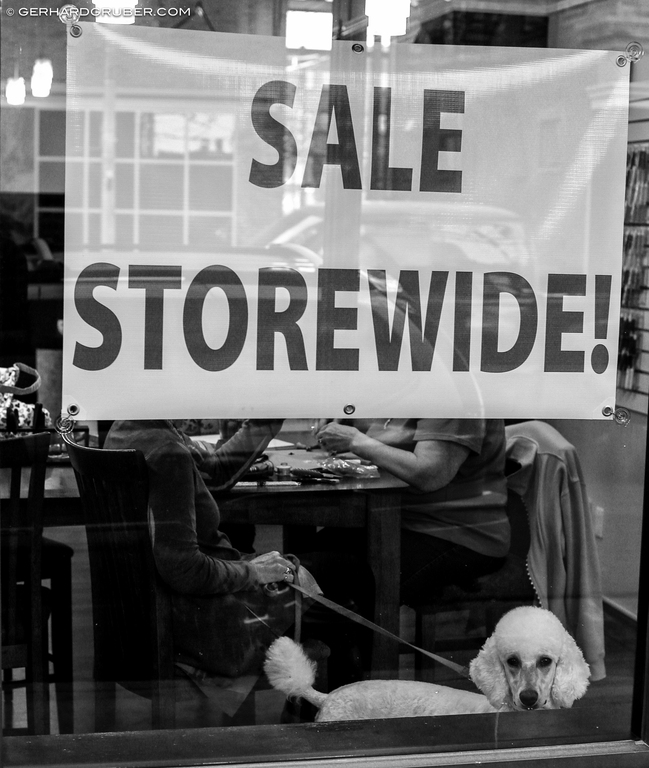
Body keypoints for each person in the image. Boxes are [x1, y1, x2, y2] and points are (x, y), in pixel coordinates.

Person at [104, 418, 373, 719]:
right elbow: (184, 569)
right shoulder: (167, 451)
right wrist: (254, 573)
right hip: (199, 619)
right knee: (350, 576)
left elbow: (216, 471)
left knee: (335, 577)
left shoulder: (130, 428)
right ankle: (345, 721)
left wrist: (267, 417)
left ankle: (316, 712)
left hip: (156, 615)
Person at [315, 418, 510, 607]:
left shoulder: (452, 401)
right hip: (399, 521)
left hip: (454, 533)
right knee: (305, 555)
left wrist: (355, 441)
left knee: (315, 574)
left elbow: (429, 474)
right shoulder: (409, 401)